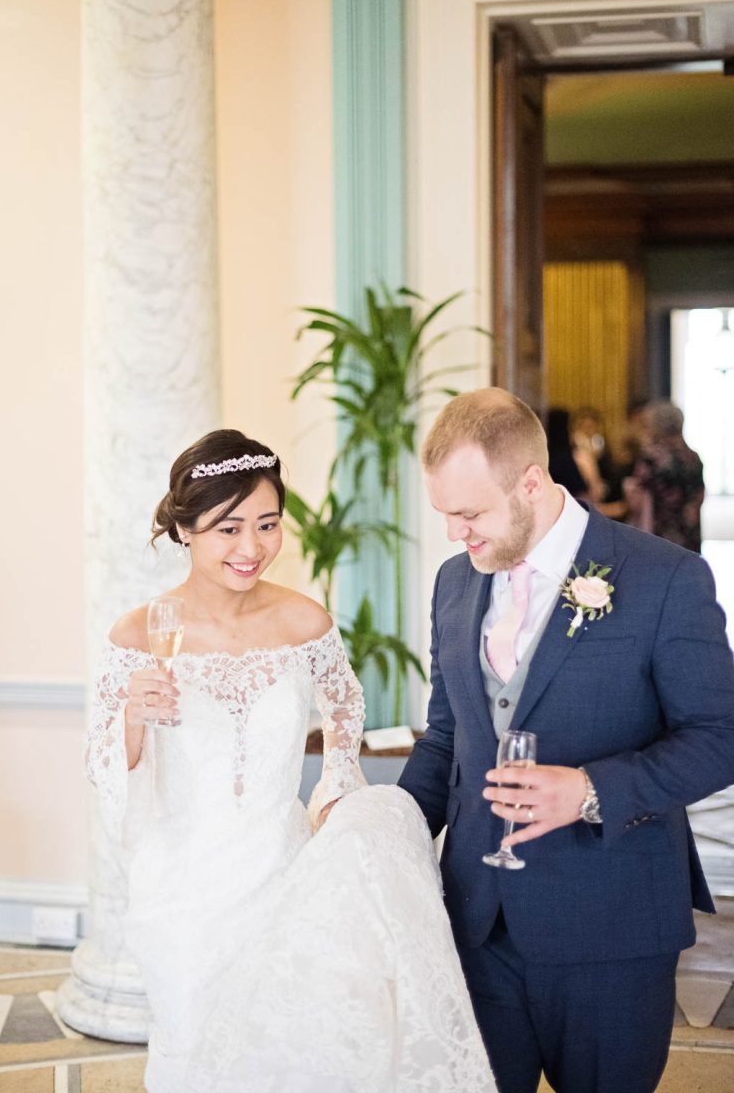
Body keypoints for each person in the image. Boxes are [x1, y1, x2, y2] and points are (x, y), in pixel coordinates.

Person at [84, 428, 496, 1093]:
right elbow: (105, 767)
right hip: (182, 893)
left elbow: (344, 718)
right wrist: (132, 715)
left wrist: (336, 789)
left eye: (268, 524)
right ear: (185, 528)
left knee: (283, 1059)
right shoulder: (137, 635)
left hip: (285, 875)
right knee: (196, 1053)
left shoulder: (306, 624)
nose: (252, 548)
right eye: (228, 528)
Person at [399, 388, 734, 1093]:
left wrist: (589, 790)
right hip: (477, 924)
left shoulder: (665, 578)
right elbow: (447, 737)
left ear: (530, 482)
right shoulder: (455, 583)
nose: (457, 534)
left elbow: (719, 735)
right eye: (446, 516)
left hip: (611, 927)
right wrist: (383, 830)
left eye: (471, 514)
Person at [624, 398, 705, 553]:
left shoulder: (651, 457)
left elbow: (636, 500)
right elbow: (699, 496)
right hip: (688, 532)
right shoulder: (693, 457)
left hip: (658, 533)